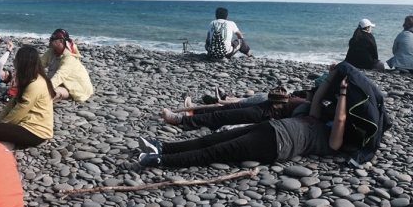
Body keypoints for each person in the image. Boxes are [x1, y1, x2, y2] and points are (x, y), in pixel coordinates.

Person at [137, 67, 351, 169]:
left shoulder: (332, 141)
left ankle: (160, 160)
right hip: (271, 127)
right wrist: (332, 76)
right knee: (208, 140)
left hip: (276, 144)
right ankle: (162, 146)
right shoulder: (313, 116)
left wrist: (342, 96)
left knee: (212, 152)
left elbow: (340, 120)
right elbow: (317, 100)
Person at [0, 46, 53, 148]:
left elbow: (20, 110)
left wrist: (2, 124)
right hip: (24, 120)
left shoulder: (36, 84)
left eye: (16, 59)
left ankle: (11, 144)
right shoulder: (29, 78)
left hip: (36, 131)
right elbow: (12, 103)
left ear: (22, 62)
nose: (14, 62)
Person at [162, 87, 306, 131]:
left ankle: (183, 120)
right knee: (232, 107)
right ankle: (196, 112)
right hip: (275, 104)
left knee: (226, 116)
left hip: (273, 114)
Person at [41, 29, 94, 102]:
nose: (50, 41)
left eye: (52, 39)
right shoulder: (52, 52)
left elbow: (60, 75)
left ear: (60, 41)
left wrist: (45, 88)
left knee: (49, 94)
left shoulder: (69, 57)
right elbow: (39, 64)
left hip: (72, 86)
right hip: (59, 82)